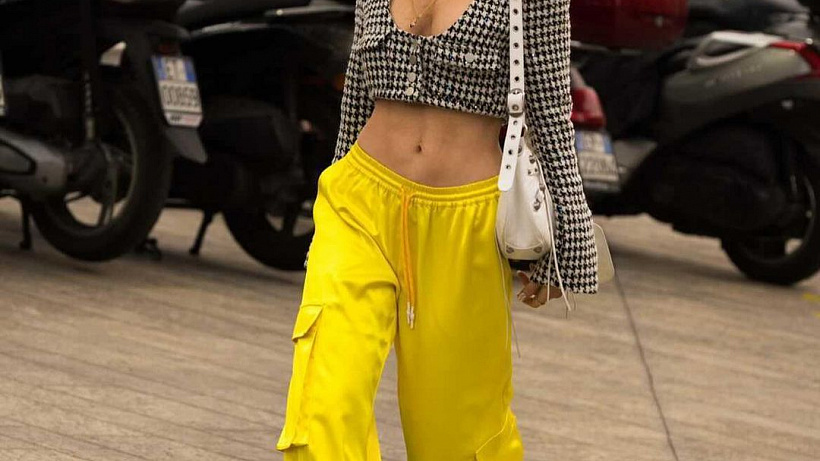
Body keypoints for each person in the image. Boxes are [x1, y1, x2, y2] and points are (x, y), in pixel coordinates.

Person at [275, 0, 598, 459]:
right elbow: (356, 100)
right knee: (321, 406)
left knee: (456, 437)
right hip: (358, 202)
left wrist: (567, 245)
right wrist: (325, 219)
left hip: (466, 224)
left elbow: (550, 113)